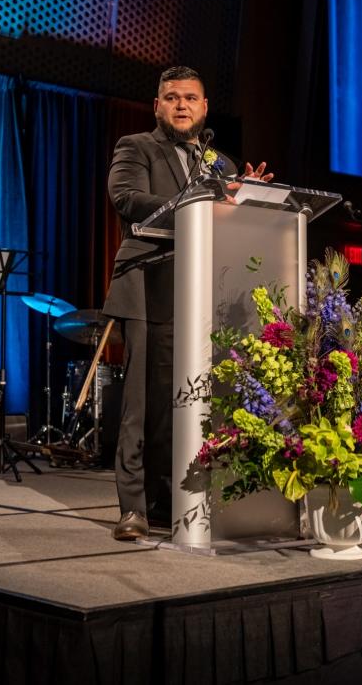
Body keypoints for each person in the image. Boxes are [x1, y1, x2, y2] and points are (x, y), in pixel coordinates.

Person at [102, 66, 271, 541]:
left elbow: (235, 224)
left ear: (204, 107)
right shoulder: (136, 147)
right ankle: (132, 509)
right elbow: (127, 197)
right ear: (158, 106)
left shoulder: (221, 163)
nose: (181, 105)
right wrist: (200, 201)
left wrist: (246, 197)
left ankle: (171, 501)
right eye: (172, 97)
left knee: (187, 405)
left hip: (204, 296)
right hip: (146, 285)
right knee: (142, 405)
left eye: (191, 98)